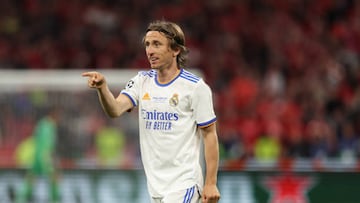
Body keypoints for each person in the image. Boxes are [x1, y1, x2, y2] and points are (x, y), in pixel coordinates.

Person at [82, 20, 220, 203]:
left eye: (157, 44)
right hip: (156, 187)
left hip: (184, 185)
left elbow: (210, 135)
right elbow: (114, 110)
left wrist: (210, 183)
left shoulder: (194, 87)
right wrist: (102, 88)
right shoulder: (141, 81)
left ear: (175, 50)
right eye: (147, 44)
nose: (150, 51)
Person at [16, 106, 61, 203]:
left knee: (31, 179)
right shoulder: (48, 126)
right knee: (54, 178)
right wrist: (47, 162)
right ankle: (55, 200)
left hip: (37, 158)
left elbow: (39, 142)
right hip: (43, 158)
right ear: (53, 114)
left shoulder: (42, 124)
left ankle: (20, 199)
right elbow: (45, 146)